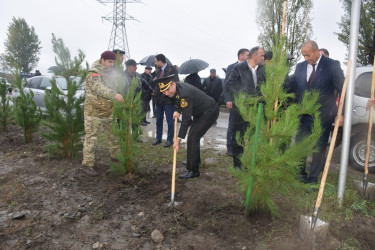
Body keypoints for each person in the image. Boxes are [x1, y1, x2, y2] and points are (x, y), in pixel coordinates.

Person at [286, 40, 345, 184]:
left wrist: (341, 113)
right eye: (303, 56)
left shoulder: (332, 65)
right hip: (303, 115)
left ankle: (312, 179)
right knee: (301, 144)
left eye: (308, 55)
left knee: (318, 148)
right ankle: (300, 175)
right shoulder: (300, 67)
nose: (306, 59)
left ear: (317, 51)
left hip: (323, 115)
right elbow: (292, 86)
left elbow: (343, 90)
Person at [156, 74, 219, 178]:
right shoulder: (177, 89)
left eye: (167, 90)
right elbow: (178, 101)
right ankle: (194, 160)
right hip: (200, 111)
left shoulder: (184, 93)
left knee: (193, 137)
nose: (166, 93)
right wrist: (178, 110)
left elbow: (186, 120)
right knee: (194, 136)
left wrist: (177, 140)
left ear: (173, 84)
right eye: (164, 91)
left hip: (209, 112)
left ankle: (193, 170)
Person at [82, 51, 124, 176]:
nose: (112, 65)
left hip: (109, 112)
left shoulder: (111, 73)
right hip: (93, 113)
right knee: (92, 139)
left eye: (113, 62)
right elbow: (98, 87)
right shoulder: (93, 73)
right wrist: (114, 95)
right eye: (109, 62)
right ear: (102, 60)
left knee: (114, 137)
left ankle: (115, 160)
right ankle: (88, 164)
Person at [226, 46, 265, 170]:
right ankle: (237, 164)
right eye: (262, 56)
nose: (263, 58)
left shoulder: (262, 69)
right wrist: (241, 97)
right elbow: (229, 84)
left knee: (254, 136)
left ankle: (250, 162)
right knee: (239, 136)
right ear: (254, 56)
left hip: (257, 109)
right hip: (242, 108)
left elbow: (264, 86)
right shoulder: (239, 68)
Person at [223, 48, 249, 156]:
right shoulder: (232, 67)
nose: (249, 57)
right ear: (241, 56)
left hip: (245, 102)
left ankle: (239, 147)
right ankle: (230, 147)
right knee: (233, 125)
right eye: (247, 55)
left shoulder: (248, 68)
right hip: (234, 101)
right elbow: (226, 85)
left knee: (242, 126)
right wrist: (228, 99)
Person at [153, 54, 179, 147]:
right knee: (158, 120)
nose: (155, 63)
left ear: (160, 61)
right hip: (158, 99)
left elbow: (176, 83)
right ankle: (158, 138)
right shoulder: (157, 71)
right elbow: (158, 84)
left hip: (168, 99)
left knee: (169, 121)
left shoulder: (172, 70)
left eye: (156, 61)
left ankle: (169, 140)